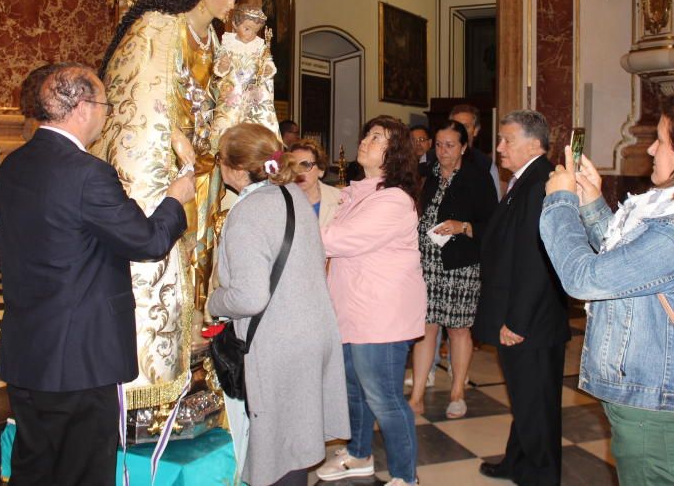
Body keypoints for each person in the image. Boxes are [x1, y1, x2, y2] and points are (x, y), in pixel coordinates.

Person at [92, 0, 271, 411]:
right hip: (163, 170)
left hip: (203, 171)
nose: (234, 2)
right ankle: (148, 381)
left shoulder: (212, 39)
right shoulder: (157, 27)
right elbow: (139, 98)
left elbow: (214, 103)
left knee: (199, 269)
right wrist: (176, 140)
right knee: (163, 263)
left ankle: (193, 369)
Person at [540, 89, 674, 486]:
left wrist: (560, 203)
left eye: (660, 140)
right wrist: (590, 202)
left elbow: (585, 278)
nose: (651, 150)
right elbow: (631, 269)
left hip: (658, 408)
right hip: (661, 398)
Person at [0, 64, 194, 485]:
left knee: (34, 468)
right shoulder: (87, 173)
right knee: (84, 472)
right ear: (82, 107)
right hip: (80, 363)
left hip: (27, 353)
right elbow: (147, 241)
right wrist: (177, 197)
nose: (108, 113)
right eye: (105, 103)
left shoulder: (13, 165)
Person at [207, 123, 349, 486]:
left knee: (276, 454)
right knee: (296, 443)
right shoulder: (293, 195)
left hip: (278, 343)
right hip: (310, 331)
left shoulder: (248, 212)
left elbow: (250, 297)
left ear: (236, 169)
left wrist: (213, 300)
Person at [317, 116, 425, 486]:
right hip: (353, 311)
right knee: (355, 390)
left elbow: (336, 240)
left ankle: (404, 476)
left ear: (393, 154)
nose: (366, 140)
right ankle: (360, 455)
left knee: (385, 399)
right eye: (367, 134)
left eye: (377, 138)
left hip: (380, 318)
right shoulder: (361, 192)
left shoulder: (393, 200)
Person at [474, 109, 569, 486]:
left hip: (530, 321)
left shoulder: (541, 183)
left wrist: (517, 320)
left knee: (537, 405)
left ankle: (542, 475)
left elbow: (536, 261)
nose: (499, 147)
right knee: (525, 397)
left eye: (507, 140)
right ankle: (518, 460)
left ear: (534, 143)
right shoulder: (525, 180)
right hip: (523, 314)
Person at [408, 120, 497, 420]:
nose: (443, 151)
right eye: (438, 145)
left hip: (460, 264)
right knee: (426, 328)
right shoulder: (424, 175)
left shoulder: (477, 178)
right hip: (425, 264)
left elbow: (492, 225)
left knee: (458, 330)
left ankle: (457, 392)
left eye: (450, 145)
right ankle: (417, 395)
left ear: (463, 147)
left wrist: (463, 227)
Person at [208, 5, 281, 153]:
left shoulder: (260, 45)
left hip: (252, 92)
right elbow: (218, 67)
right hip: (233, 91)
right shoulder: (227, 42)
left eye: (255, 31)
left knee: (254, 124)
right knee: (226, 122)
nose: (251, 34)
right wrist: (223, 65)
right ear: (235, 24)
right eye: (247, 29)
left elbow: (268, 61)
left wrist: (268, 69)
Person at [448, 104, 501, 198]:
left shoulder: (486, 165)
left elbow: (494, 205)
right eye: (456, 126)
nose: (460, 131)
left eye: (465, 126)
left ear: (476, 130)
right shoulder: (433, 158)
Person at [288, 139, 340, 227]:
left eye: (305, 165)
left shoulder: (339, 199)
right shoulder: (280, 202)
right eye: (293, 166)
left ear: (321, 170)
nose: (298, 172)